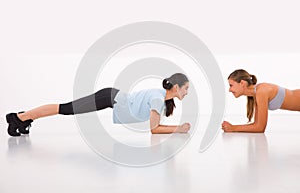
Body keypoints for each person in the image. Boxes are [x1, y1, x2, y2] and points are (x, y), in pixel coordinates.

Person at [6, 73, 191, 137]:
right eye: (186, 89)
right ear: (176, 87)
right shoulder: (159, 99)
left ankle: (24, 116)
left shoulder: (161, 97)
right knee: (65, 109)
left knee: (65, 108)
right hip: (110, 98)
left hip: (111, 96)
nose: (187, 92)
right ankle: (19, 118)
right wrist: (179, 129)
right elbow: (154, 129)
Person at [222, 69, 300, 133]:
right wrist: (233, 127)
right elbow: (256, 125)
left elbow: (260, 128)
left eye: (231, 85)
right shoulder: (257, 94)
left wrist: (233, 128)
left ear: (242, 83)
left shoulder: (261, 92)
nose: (229, 90)